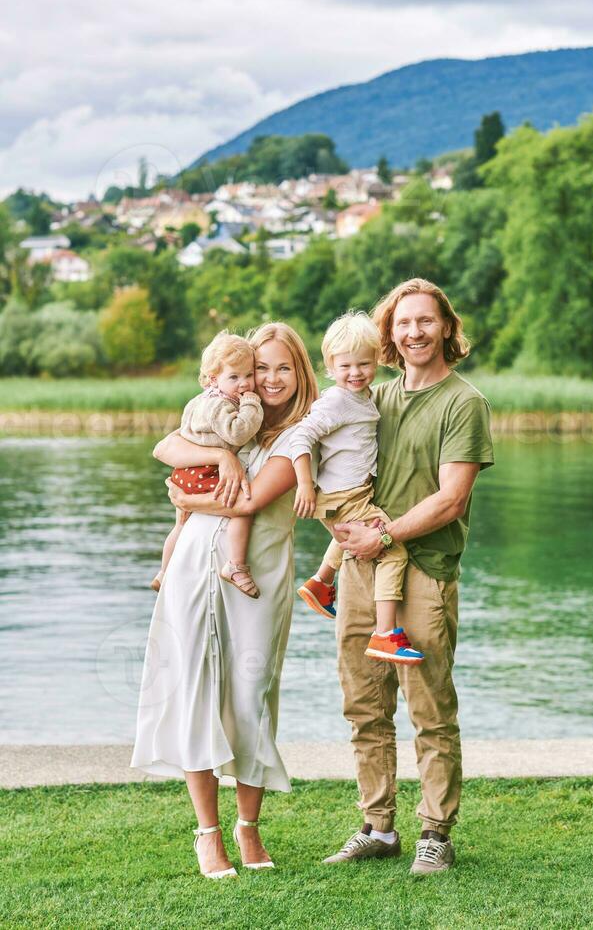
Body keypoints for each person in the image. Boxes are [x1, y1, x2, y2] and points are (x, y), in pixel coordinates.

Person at [130, 323, 319, 880]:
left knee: (250, 698)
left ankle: (249, 829)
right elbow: (165, 445)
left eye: (283, 367)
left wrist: (188, 493)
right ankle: (207, 835)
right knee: (195, 693)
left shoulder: (303, 435)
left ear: (300, 371)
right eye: (261, 368)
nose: (270, 378)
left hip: (257, 576)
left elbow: (250, 505)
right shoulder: (225, 415)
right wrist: (224, 455)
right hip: (193, 568)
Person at [322, 278, 494, 877]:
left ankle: (435, 832)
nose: (414, 332)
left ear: (446, 326)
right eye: (402, 323)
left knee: (428, 707)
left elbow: (451, 499)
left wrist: (385, 535)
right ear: (388, 335)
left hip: (425, 570)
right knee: (364, 705)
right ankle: (377, 826)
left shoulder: (463, 402)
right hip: (361, 570)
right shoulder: (373, 398)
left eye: (425, 321)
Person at [291, 310, 424, 665]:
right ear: (330, 366)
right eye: (345, 366)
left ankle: (321, 583)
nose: (355, 373)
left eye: (364, 364)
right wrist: (305, 484)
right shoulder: (336, 400)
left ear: (377, 360)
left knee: (348, 535)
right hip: (342, 495)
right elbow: (300, 436)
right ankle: (385, 634)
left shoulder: (364, 397)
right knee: (392, 549)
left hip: (353, 492)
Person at [151, 331, 264, 597]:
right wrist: (252, 404)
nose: (244, 384)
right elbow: (238, 432)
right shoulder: (220, 406)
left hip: (185, 472)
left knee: (180, 524)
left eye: (249, 375)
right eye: (234, 377)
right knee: (240, 509)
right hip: (206, 471)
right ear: (214, 378)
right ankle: (236, 565)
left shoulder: (198, 401)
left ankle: (163, 572)